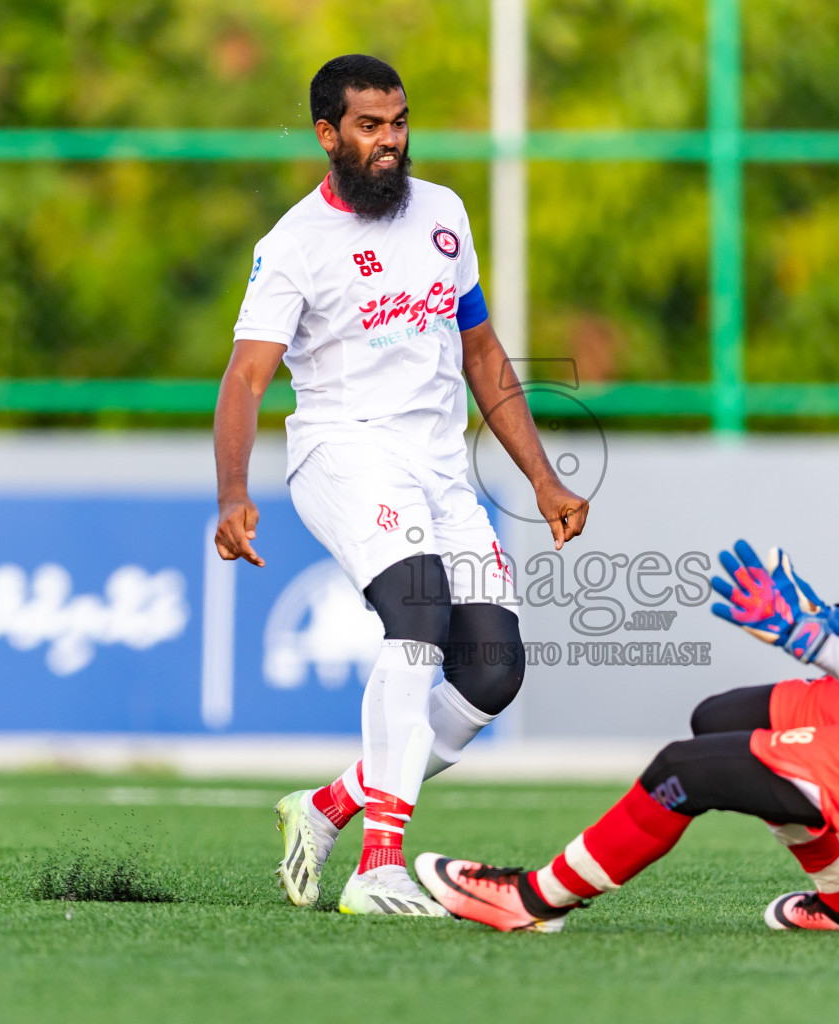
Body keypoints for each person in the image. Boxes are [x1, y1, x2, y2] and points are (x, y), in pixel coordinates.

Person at [417, 321, 839, 932]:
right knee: (717, 717)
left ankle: (533, 901)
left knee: (680, 774)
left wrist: (809, 641)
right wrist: (834, 622)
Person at [213, 54, 590, 917]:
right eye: (370, 126)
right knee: (417, 615)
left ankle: (327, 807)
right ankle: (379, 863)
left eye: (400, 123)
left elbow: (484, 355)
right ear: (327, 135)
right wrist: (233, 495)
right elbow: (244, 379)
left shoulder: (445, 214)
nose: (390, 142)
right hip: (344, 455)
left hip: (440, 468)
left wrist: (542, 478)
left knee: (492, 671)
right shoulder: (295, 245)